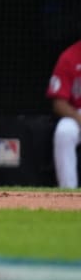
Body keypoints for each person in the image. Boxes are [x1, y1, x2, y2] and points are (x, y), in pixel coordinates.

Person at [50, 36, 81, 189]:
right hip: (77, 113)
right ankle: (67, 192)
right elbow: (58, 103)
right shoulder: (70, 56)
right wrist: (79, 118)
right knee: (64, 131)